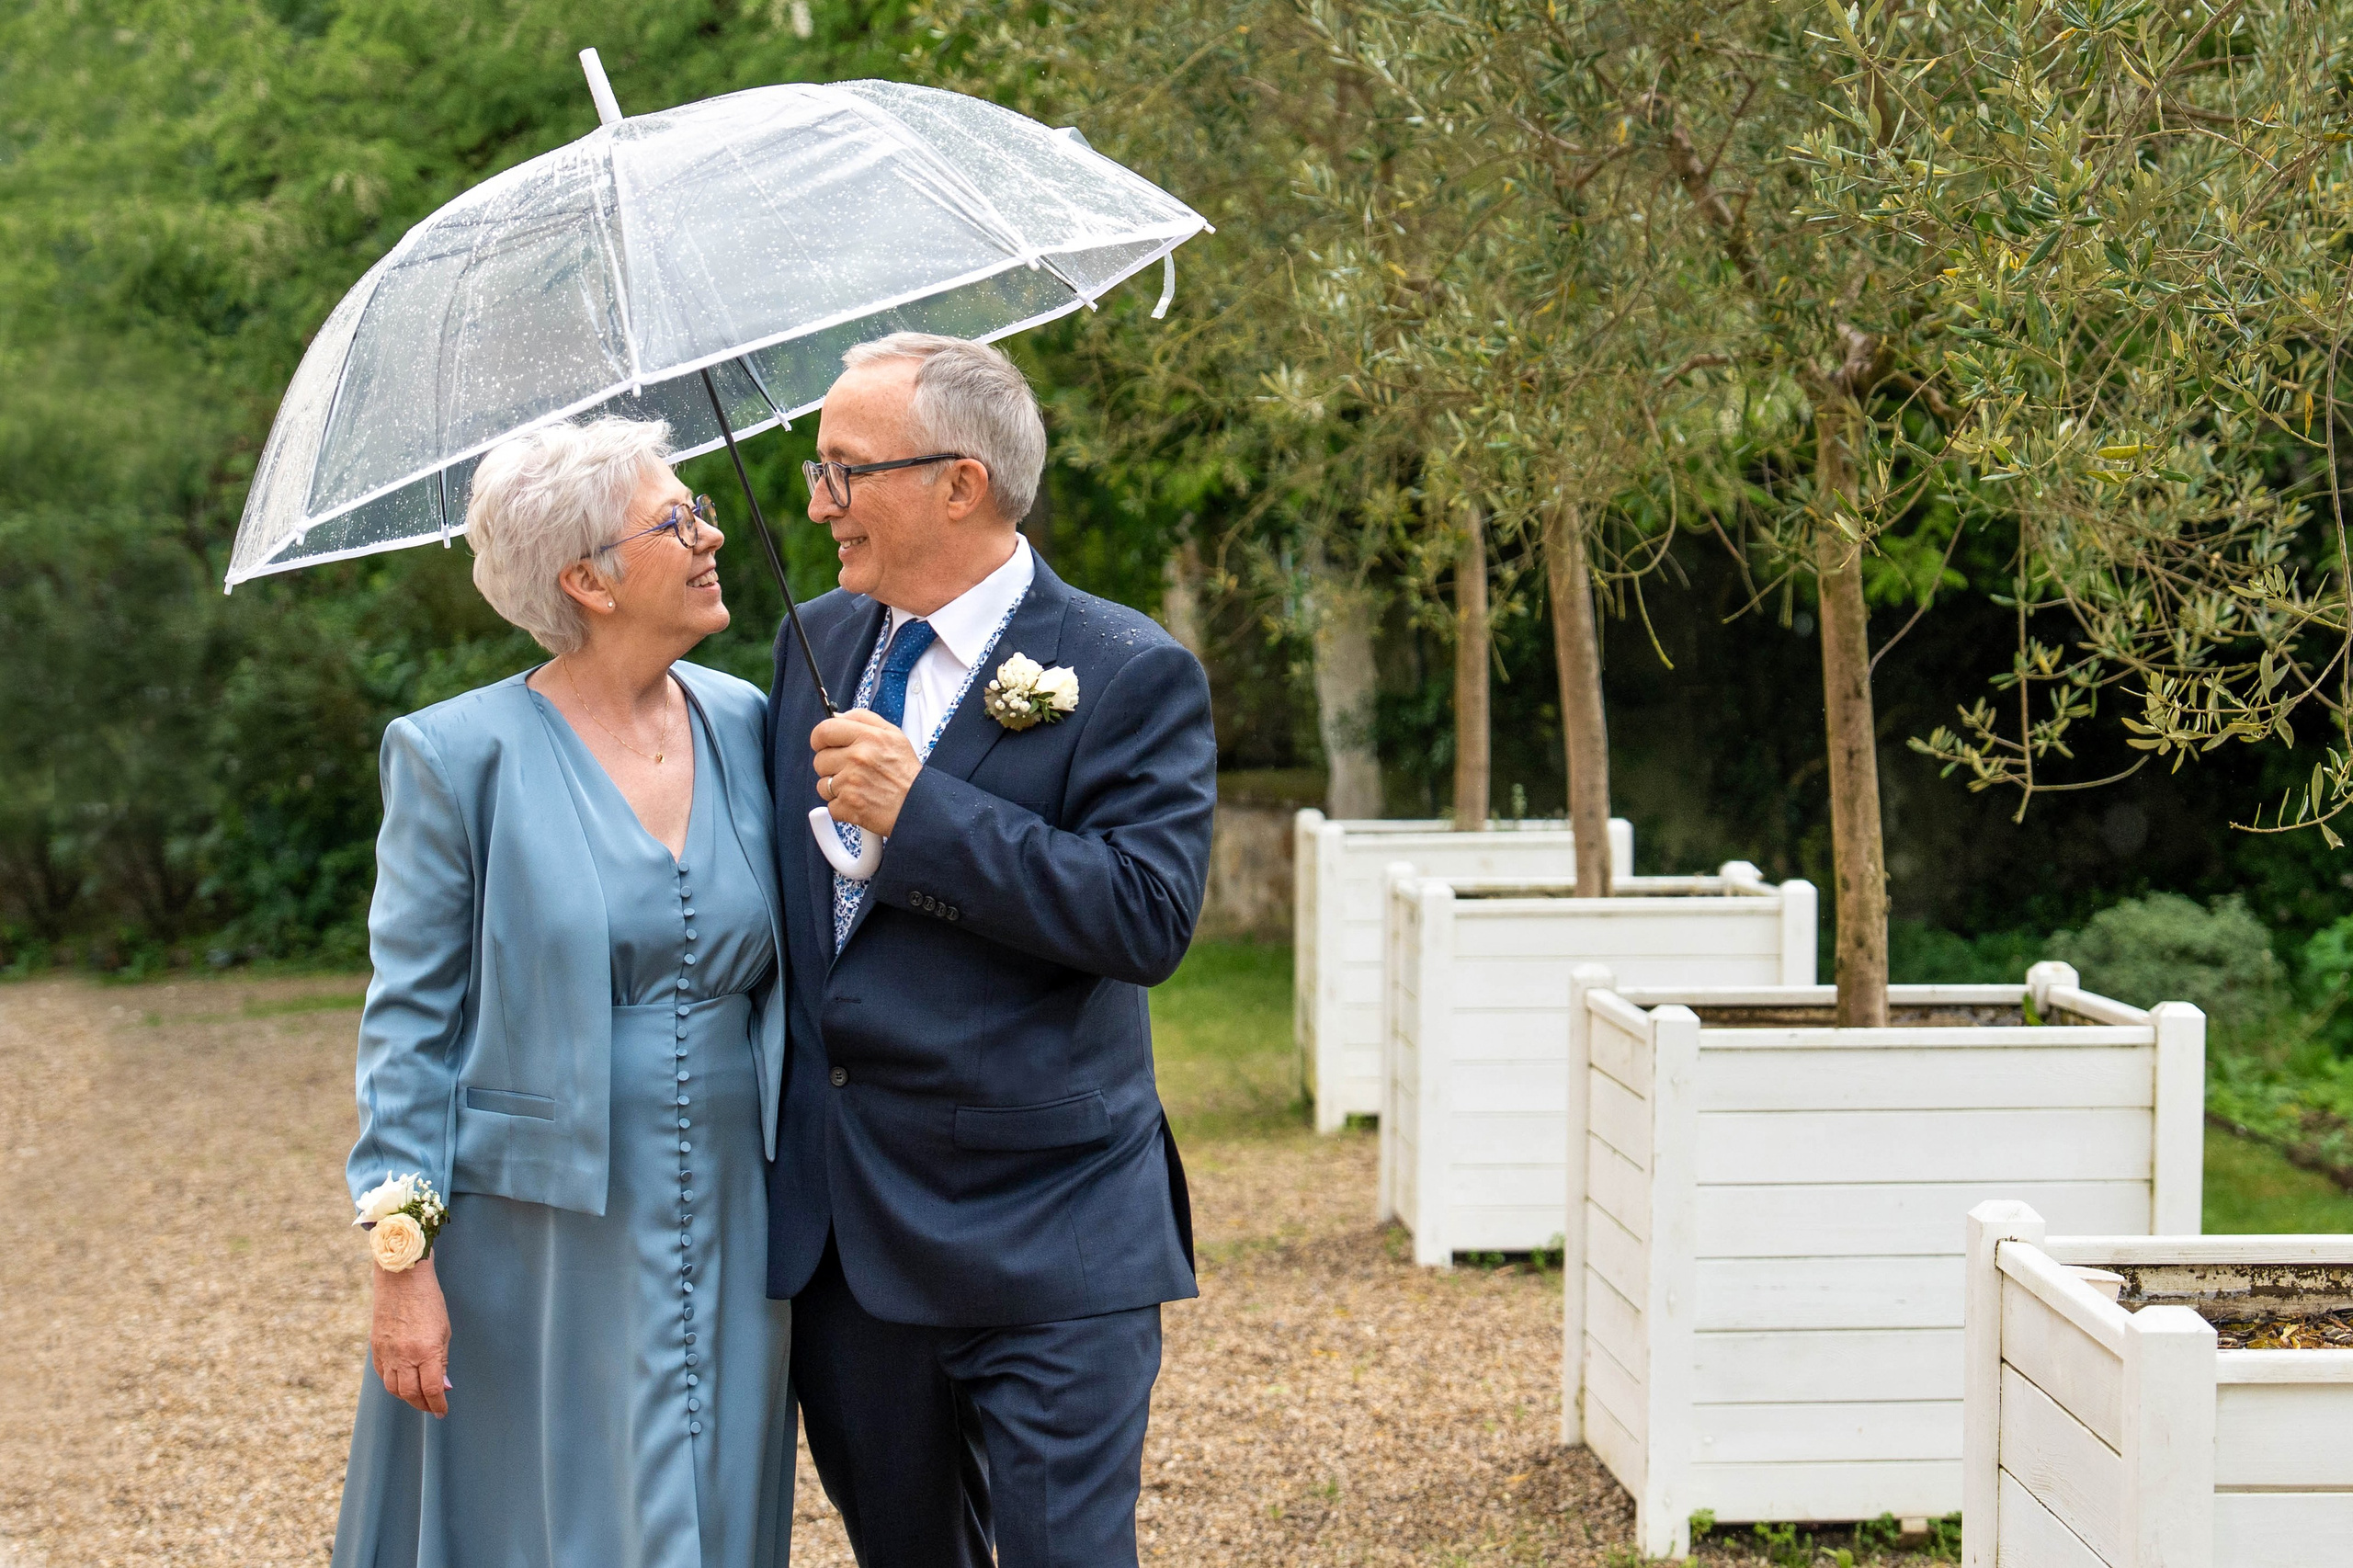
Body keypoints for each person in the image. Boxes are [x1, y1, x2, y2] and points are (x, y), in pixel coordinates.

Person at [763, 333, 1216, 1567]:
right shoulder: (812, 644)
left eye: (845, 469)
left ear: (959, 482)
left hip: (1051, 1229)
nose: (819, 502)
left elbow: (1146, 914)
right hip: (850, 1243)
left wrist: (927, 812)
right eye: (815, 470)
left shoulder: (1127, 669)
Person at [330, 417, 796, 1568]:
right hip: (536, 1222)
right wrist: (403, 1263)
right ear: (587, 579)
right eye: (676, 520)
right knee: (555, 1514)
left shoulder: (747, 718)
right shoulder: (454, 755)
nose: (711, 533)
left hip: (740, 1194)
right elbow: (409, 1024)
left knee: (719, 1491)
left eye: (701, 509)